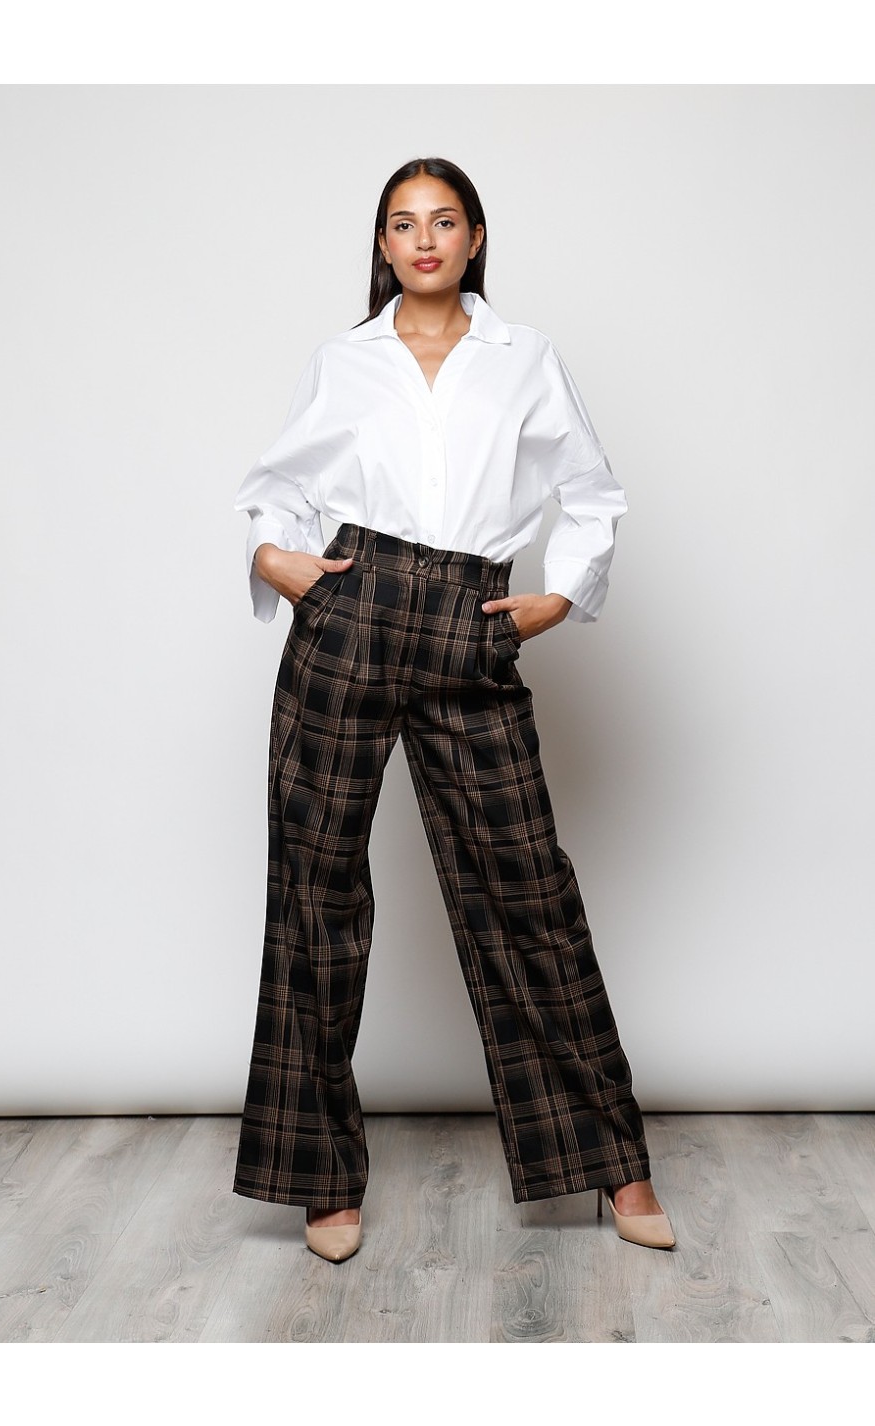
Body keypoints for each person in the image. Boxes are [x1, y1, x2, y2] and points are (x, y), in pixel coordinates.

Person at [232, 156, 675, 1262]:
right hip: (350, 610)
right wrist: (277, 557)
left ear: (475, 237)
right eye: (402, 223)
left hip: (469, 616)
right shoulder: (345, 359)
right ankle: (321, 1179)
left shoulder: (526, 358)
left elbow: (591, 492)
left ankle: (614, 1163)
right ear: (383, 246)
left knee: (529, 890)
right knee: (316, 892)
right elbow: (277, 488)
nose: (423, 239)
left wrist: (559, 595)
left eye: (443, 221)